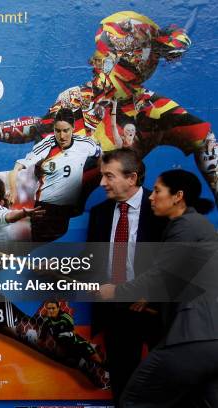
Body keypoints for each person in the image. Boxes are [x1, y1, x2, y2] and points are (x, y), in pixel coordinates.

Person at [0, 11, 217, 205]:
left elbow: (205, 140)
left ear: (131, 61)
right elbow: (34, 128)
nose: (94, 64)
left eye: (104, 58)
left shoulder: (153, 111)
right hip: (6, 188)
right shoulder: (75, 97)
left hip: (35, 213)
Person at [98, 169, 218, 407]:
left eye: (158, 191)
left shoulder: (185, 225)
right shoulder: (197, 226)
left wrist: (117, 291)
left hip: (193, 337)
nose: (151, 197)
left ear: (178, 196)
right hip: (209, 340)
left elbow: (160, 274)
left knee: (133, 401)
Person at [86, 148, 167, 403]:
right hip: (116, 313)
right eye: (102, 176)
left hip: (159, 315)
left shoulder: (163, 211)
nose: (102, 183)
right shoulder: (100, 213)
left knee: (166, 387)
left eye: (109, 176)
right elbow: (92, 262)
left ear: (131, 178)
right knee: (123, 386)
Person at [9, 108, 101, 241]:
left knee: (61, 252)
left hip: (70, 209)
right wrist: (13, 191)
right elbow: (16, 168)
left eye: (66, 130)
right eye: (58, 131)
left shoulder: (85, 144)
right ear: (53, 129)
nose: (62, 136)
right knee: (37, 250)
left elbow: (102, 158)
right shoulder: (47, 145)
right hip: (46, 209)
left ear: (73, 128)